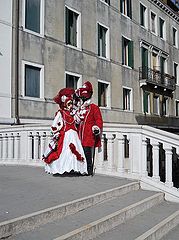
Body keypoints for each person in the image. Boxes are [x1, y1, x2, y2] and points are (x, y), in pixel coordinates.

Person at [42, 88, 88, 175]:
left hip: (74, 135)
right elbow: (54, 125)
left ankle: (74, 168)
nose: (71, 105)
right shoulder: (61, 113)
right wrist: (57, 132)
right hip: (65, 135)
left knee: (75, 151)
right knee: (64, 152)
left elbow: (78, 121)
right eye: (69, 104)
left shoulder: (73, 113)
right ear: (65, 104)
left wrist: (77, 113)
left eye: (71, 103)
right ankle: (63, 168)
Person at [75, 81, 103, 175]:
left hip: (88, 135)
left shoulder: (94, 108)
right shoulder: (79, 109)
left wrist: (96, 127)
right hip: (79, 135)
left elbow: (98, 120)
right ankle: (80, 169)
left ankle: (89, 170)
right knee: (79, 152)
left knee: (87, 153)